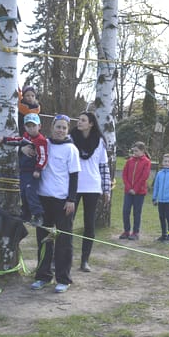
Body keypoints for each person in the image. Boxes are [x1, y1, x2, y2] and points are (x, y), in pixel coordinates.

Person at [29, 114, 81, 294]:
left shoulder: (71, 149)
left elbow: (74, 176)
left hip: (63, 201)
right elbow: (26, 143)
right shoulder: (44, 144)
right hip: (43, 199)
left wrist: (71, 199)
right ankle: (43, 276)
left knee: (64, 241)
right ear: (51, 127)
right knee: (44, 239)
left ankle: (63, 278)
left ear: (67, 130)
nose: (60, 130)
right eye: (58, 127)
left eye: (64, 128)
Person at [70, 111, 111, 272]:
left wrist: (106, 189)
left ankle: (85, 261)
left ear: (91, 124)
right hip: (73, 187)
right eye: (79, 119)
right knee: (67, 223)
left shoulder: (99, 141)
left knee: (89, 225)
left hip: (92, 187)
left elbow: (104, 167)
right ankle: (62, 257)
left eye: (83, 120)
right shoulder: (71, 138)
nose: (79, 122)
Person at [120, 142, 151, 240]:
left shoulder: (146, 162)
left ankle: (135, 232)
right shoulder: (129, 161)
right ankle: (126, 231)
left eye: (136, 151)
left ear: (142, 151)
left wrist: (135, 189)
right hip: (128, 191)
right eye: (133, 151)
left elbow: (144, 177)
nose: (134, 153)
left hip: (139, 192)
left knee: (137, 212)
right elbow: (124, 174)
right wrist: (129, 187)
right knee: (126, 211)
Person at [152, 153, 169, 242]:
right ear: (162, 162)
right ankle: (163, 234)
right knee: (161, 217)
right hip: (161, 200)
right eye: (165, 161)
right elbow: (156, 186)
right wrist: (154, 198)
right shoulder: (159, 174)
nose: (167, 163)